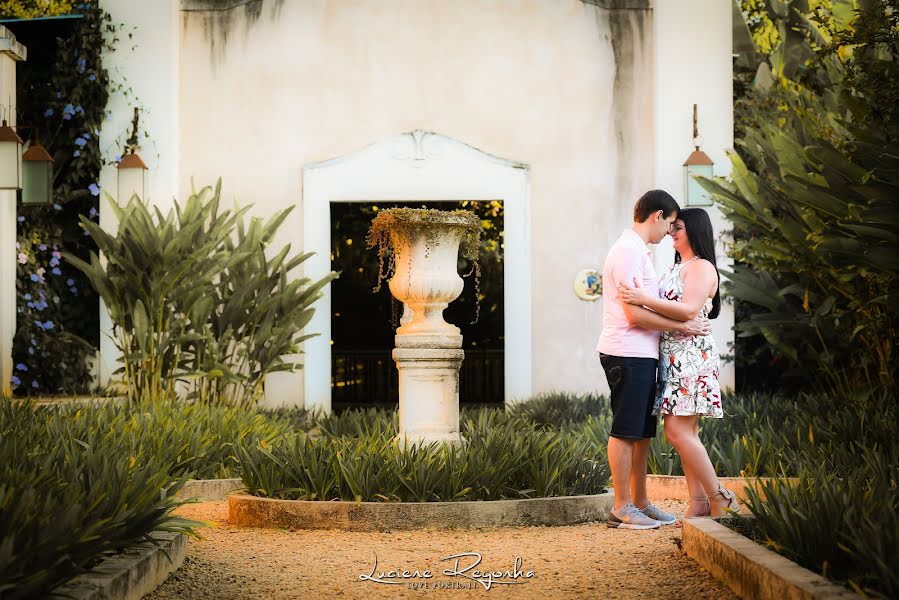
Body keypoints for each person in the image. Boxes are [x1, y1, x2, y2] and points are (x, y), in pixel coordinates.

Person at [597, 190, 712, 530]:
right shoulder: (627, 252)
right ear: (657, 215)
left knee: (643, 433)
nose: (670, 231)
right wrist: (684, 324)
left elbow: (647, 304)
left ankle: (642, 502)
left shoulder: (640, 252)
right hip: (626, 350)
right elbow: (634, 315)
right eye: (669, 223)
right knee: (625, 430)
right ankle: (622, 506)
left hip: (643, 354)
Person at [617, 207, 739, 519]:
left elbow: (687, 310)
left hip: (690, 358)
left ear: (695, 231)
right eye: (672, 227)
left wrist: (639, 297)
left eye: (679, 228)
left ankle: (719, 497)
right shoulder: (677, 266)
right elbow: (675, 313)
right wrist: (643, 298)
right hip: (673, 357)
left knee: (676, 431)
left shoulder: (701, 268)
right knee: (687, 432)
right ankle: (698, 502)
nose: (672, 232)